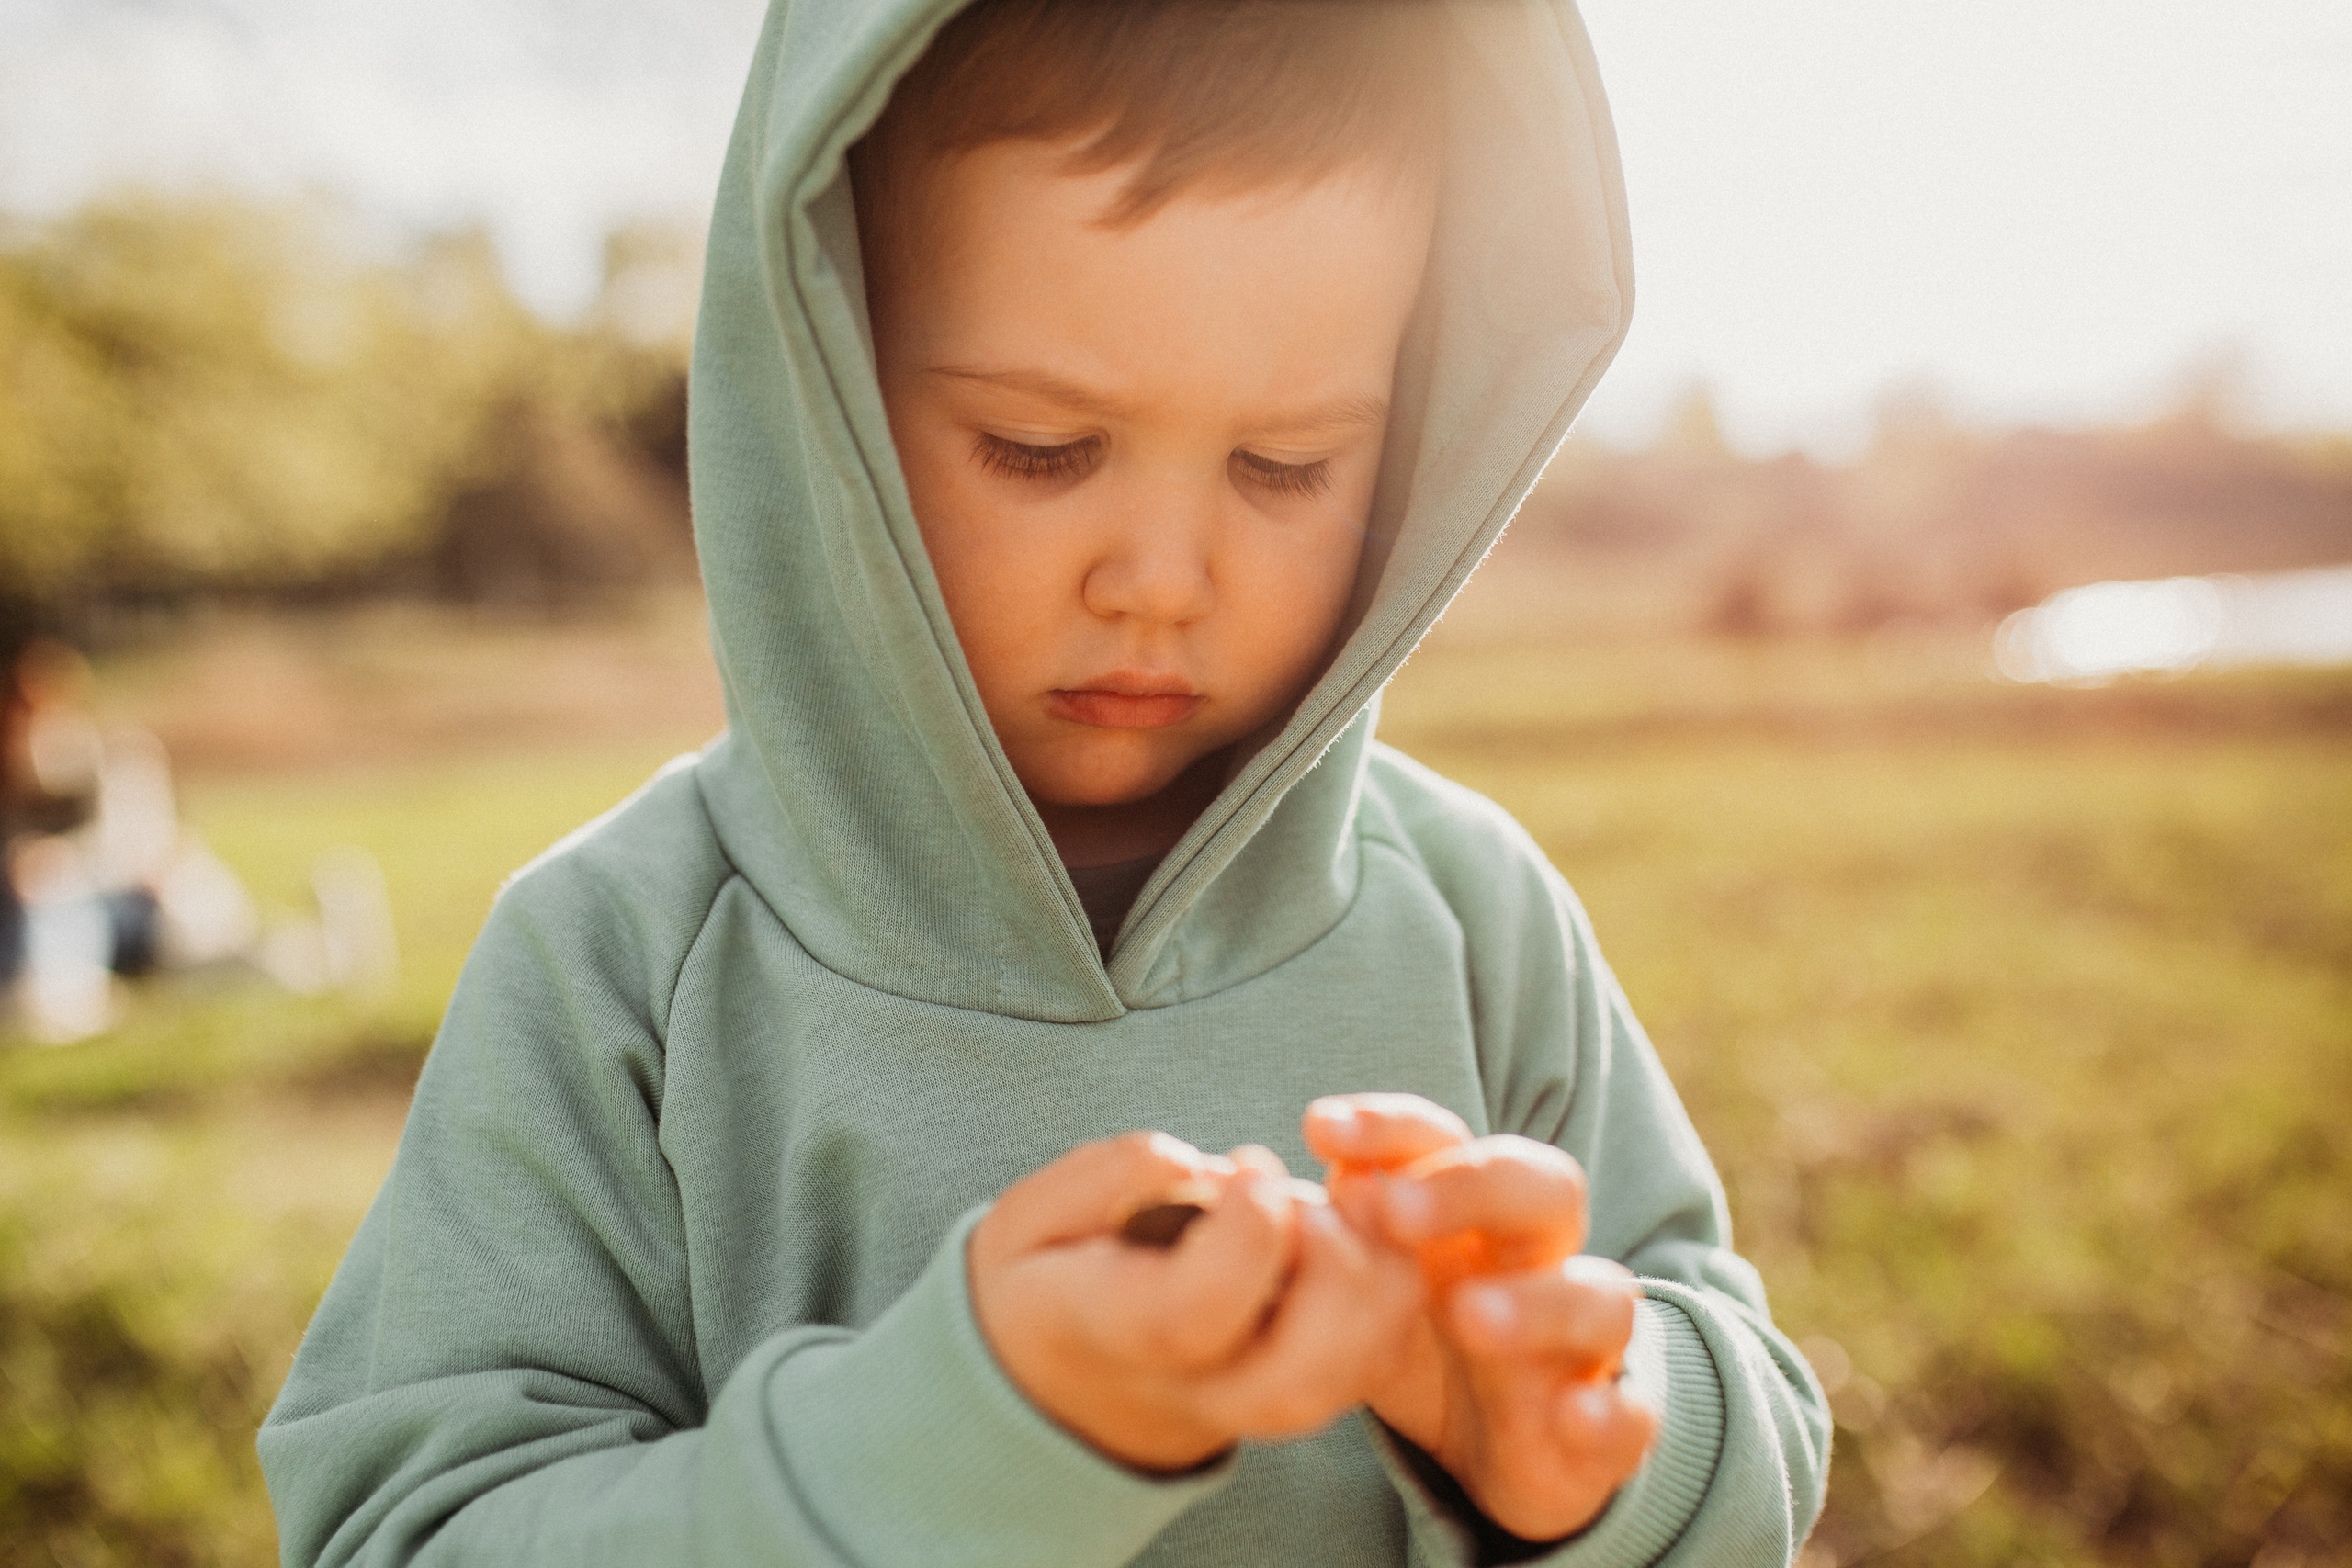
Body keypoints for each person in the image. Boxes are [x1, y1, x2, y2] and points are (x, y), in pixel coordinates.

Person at [260, 1, 1829, 1562]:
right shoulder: (622, 965)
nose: (1161, 579)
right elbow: (410, 1534)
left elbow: (1753, 1417)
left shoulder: (1475, 917)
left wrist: (1596, 1443)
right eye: (1039, 445)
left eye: (1287, 467)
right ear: (831, 395)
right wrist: (949, 1450)